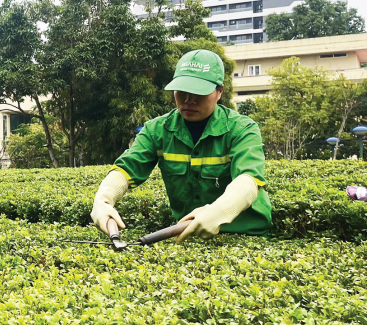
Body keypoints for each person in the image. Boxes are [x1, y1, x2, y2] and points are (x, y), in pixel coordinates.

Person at [90, 49, 272, 241]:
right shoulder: (157, 130)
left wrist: (219, 212)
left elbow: (249, 180)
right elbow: (127, 169)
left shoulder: (242, 129)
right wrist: (103, 199)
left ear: (220, 92)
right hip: (188, 235)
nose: (189, 100)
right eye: (182, 91)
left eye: (198, 92)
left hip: (246, 235)